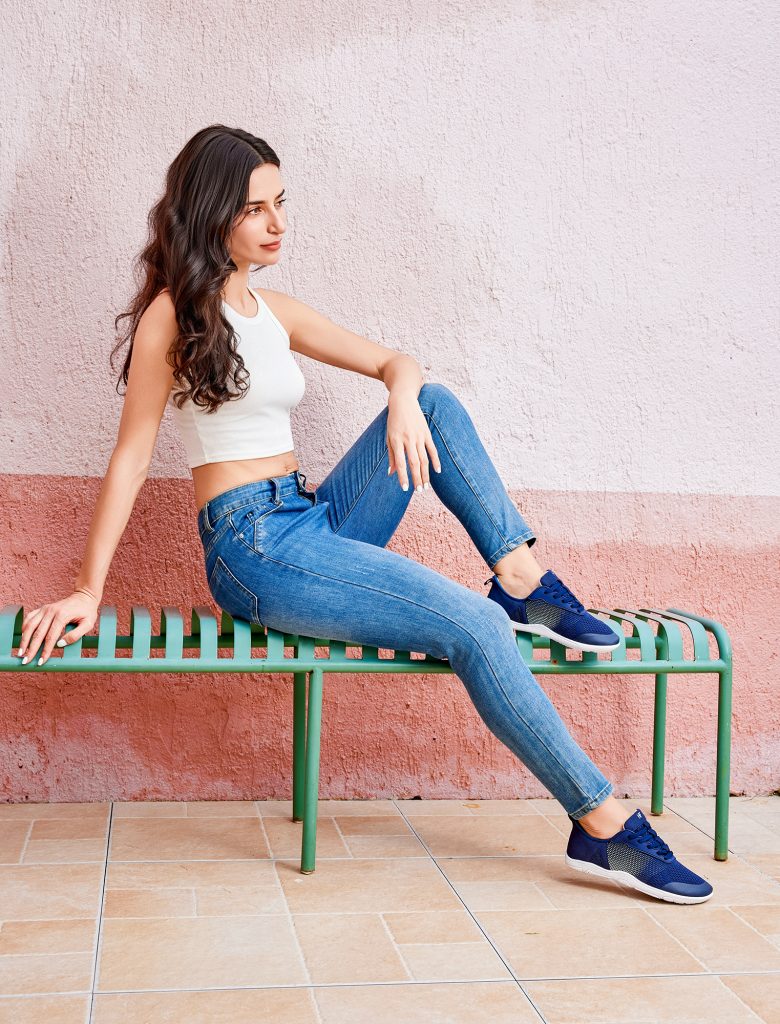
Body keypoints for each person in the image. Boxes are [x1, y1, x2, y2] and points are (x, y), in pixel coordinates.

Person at [14, 125, 713, 904]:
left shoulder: (272, 310)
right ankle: (601, 821)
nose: (278, 224)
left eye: (282, 204)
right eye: (255, 209)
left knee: (433, 402)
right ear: (211, 214)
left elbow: (395, 361)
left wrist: (401, 398)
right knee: (476, 629)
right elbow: (132, 458)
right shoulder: (173, 315)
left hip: (310, 517)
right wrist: (87, 588)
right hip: (254, 547)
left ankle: (520, 575)